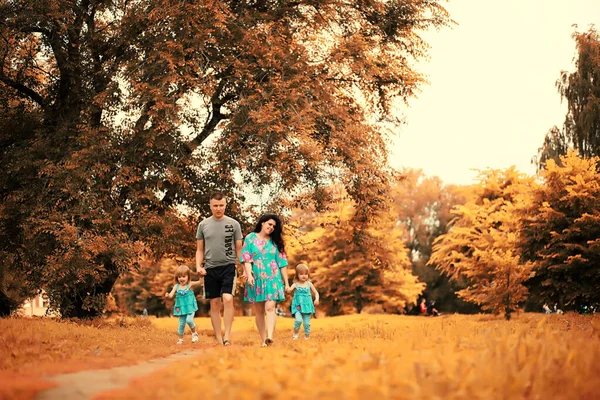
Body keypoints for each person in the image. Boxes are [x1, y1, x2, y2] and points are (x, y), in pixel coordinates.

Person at [196, 192, 243, 346]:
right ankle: (218, 338)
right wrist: (198, 266)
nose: (218, 208)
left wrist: (244, 267)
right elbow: (200, 250)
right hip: (210, 268)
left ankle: (227, 336)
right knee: (214, 303)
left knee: (228, 298)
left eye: (221, 205)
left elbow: (239, 249)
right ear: (210, 206)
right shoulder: (203, 225)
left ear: (225, 205)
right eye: (215, 205)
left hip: (228, 266)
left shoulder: (234, 224)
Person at [240, 214, 290, 346]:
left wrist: (286, 282)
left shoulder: (276, 242)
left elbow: (283, 263)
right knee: (259, 310)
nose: (272, 227)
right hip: (256, 278)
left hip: (273, 278)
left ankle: (270, 337)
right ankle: (263, 340)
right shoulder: (250, 238)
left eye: (274, 226)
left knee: (270, 307)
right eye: (269, 224)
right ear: (262, 223)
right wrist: (249, 275)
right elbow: (246, 258)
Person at [165, 265, 203, 344]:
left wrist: (201, 276)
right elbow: (171, 295)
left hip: (190, 307)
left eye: (183, 276)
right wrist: (168, 295)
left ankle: (194, 333)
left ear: (188, 277)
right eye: (179, 277)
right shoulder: (176, 286)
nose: (181, 279)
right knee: (181, 324)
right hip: (181, 308)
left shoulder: (190, 284)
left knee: (189, 320)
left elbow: (200, 282)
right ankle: (180, 339)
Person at [286, 263, 319, 340]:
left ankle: (306, 338)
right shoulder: (295, 284)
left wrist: (316, 299)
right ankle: (295, 334)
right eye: (301, 274)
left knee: (307, 324)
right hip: (298, 307)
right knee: (298, 320)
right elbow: (290, 290)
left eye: (306, 274)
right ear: (297, 275)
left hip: (307, 307)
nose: (304, 276)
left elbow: (316, 292)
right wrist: (288, 289)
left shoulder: (309, 284)